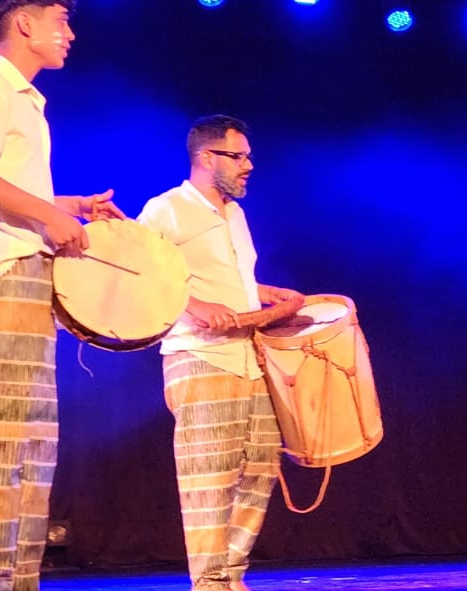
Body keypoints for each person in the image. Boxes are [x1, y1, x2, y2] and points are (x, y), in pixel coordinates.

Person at [0, 1, 122, 589]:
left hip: (28, 280)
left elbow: (7, 188)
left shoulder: (25, 100)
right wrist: (47, 216)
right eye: (60, 20)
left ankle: (17, 579)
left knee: (32, 447)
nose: (70, 33)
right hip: (0, 282)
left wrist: (70, 206)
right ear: (25, 23)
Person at [136, 115, 299, 591]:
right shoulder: (167, 208)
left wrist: (264, 293)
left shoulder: (235, 214)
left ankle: (231, 574)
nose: (249, 165)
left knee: (261, 464)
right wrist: (195, 305)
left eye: (248, 156)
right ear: (207, 158)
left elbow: (227, 278)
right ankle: (208, 582)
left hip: (248, 358)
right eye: (238, 156)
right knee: (209, 474)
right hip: (199, 356)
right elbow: (137, 269)